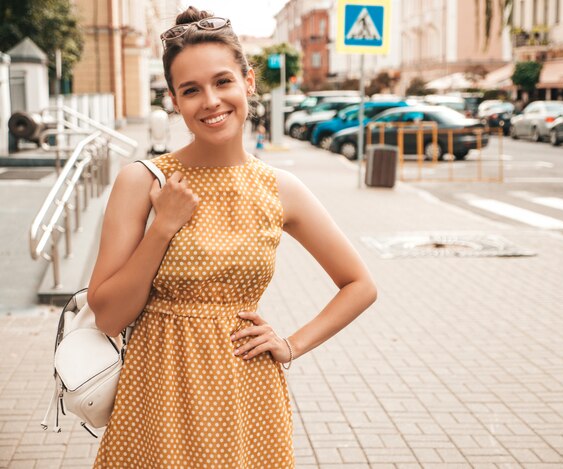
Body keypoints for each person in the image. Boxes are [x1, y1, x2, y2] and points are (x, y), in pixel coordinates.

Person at [88, 6, 377, 468]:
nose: (210, 101)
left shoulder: (281, 188)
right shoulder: (141, 181)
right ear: (175, 100)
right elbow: (107, 316)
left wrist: (292, 345)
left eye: (222, 81)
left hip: (247, 396)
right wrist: (162, 227)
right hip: (157, 394)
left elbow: (360, 285)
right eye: (191, 90)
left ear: (248, 81)